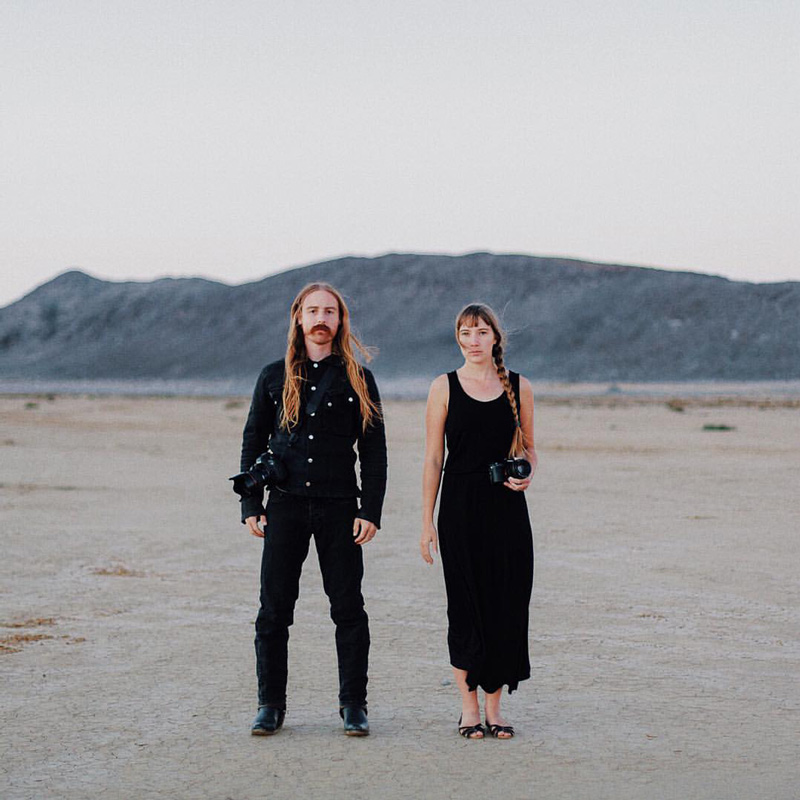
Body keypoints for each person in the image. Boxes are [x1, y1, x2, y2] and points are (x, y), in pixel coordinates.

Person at [238, 282, 387, 737]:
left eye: (330, 311)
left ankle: (353, 706)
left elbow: (375, 451)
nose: (322, 319)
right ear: (298, 318)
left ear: (340, 320)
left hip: (340, 507)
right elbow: (252, 440)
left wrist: (371, 511)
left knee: (348, 608)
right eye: (313, 311)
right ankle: (270, 706)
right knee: (273, 610)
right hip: (284, 506)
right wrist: (251, 502)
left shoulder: (360, 378)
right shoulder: (271, 377)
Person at [420, 303, 536, 739]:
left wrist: (526, 473)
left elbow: (529, 448)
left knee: (506, 603)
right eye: (465, 333)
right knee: (466, 606)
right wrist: (426, 522)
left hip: (507, 509)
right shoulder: (444, 386)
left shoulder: (519, 386)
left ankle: (495, 708)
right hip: (459, 509)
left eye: (481, 332)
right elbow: (434, 459)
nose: (473, 341)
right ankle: (469, 709)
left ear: (495, 338)